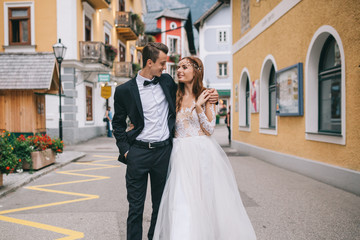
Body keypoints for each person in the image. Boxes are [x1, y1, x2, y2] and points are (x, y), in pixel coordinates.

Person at [112, 43, 218, 240]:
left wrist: (213, 96)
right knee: (135, 207)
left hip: (164, 153)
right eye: (162, 63)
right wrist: (126, 151)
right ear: (150, 62)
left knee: (161, 206)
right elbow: (117, 124)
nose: (165, 68)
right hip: (138, 153)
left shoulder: (167, 82)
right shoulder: (124, 91)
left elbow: (192, 89)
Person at [153, 57, 257, 240]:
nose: (179, 70)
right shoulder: (174, 95)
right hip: (179, 154)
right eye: (178, 67)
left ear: (196, 71)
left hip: (201, 152)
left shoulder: (208, 95)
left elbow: (209, 129)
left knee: (206, 201)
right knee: (181, 201)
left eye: (184, 67)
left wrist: (199, 106)